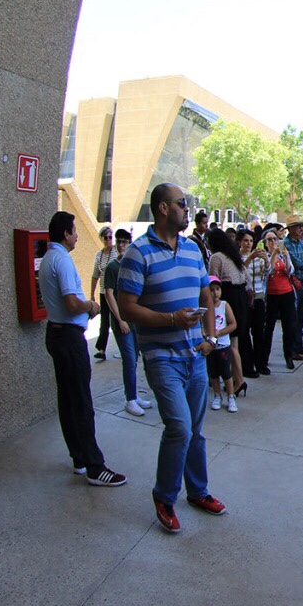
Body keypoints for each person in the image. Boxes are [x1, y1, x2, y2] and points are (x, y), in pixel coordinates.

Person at [117, 184, 227, 533]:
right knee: (179, 427)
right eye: (183, 204)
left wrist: (210, 338)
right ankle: (165, 496)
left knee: (195, 430)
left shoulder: (194, 249)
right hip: (160, 356)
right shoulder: (138, 254)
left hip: (195, 354)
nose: (188, 208)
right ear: (164, 208)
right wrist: (171, 320)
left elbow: (205, 296)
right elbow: (126, 308)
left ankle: (198, 491)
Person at [39, 211, 127, 487]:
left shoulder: (49, 258)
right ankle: (94, 466)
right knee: (80, 402)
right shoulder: (62, 260)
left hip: (58, 334)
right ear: (65, 233)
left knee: (68, 399)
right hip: (68, 338)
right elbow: (72, 303)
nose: (77, 235)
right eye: (74, 230)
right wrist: (91, 306)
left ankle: (78, 457)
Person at [103, 229, 152, 416]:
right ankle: (130, 399)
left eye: (125, 242)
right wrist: (121, 319)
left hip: (134, 321)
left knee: (136, 358)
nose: (122, 245)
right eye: (119, 242)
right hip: (122, 322)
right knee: (129, 359)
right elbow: (109, 294)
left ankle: (133, 395)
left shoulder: (132, 265)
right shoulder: (112, 268)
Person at [207, 228, 249, 395]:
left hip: (229, 297)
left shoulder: (216, 257)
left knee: (230, 343)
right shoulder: (233, 256)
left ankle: (238, 380)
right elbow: (246, 277)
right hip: (241, 297)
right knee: (235, 343)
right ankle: (238, 379)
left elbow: (213, 281)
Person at [262, 229, 299, 372]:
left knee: (288, 326)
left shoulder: (283, 255)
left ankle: (288, 355)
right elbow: (267, 271)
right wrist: (273, 256)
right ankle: (264, 357)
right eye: (269, 240)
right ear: (265, 243)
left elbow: (290, 271)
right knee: (269, 327)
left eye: (275, 239)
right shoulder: (264, 256)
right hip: (272, 295)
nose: (273, 242)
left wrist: (287, 257)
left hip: (287, 293)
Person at [204, 276, 239, 413]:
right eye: (212, 290)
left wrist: (219, 333)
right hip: (210, 345)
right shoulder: (205, 307)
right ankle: (217, 395)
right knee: (213, 373)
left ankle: (231, 396)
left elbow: (233, 324)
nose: (215, 293)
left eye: (217, 289)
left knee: (226, 372)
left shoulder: (224, 305)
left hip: (223, 345)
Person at [282, 215, 303, 356]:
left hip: (301, 280)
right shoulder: (286, 244)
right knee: (293, 315)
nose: (301, 229)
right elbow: (296, 262)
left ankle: (299, 344)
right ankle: (293, 347)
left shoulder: (300, 242)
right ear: (291, 229)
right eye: (298, 226)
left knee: (300, 314)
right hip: (292, 282)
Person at [241, 230, 271, 376]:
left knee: (259, 332)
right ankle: (247, 364)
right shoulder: (238, 257)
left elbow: (267, 272)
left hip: (258, 296)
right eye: (246, 241)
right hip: (245, 298)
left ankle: (261, 363)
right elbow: (240, 271)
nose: (248, 244)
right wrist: (250, 258)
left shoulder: (258, 257)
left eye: (251, 241)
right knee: (245, 333)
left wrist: (266, 260)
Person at [90, 226, 117, 361]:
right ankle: (101, 349)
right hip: (103, 291)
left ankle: (129, 346)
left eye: (110, 237)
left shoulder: (117, 251)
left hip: (116, 292)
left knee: (119, 319)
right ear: (101, 239)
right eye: (105, 238)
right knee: (104, 321)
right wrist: (92, 294)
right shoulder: (99, 255)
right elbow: (95, 275)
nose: (108, 240)